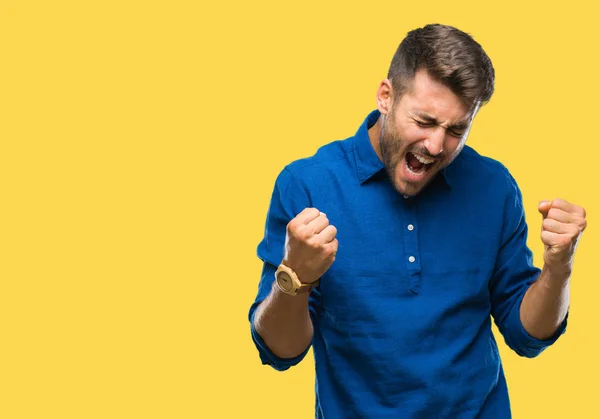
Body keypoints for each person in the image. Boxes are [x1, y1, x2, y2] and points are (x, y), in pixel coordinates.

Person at [248, 24, 587, 418]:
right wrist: (295, 277)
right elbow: (279, 351)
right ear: (386, 97)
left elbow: (527, 334)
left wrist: (558, 268)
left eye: (456, 130)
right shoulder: (307, 184)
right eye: (424, 121)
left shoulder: (494, 186)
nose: (435, 146)